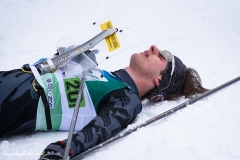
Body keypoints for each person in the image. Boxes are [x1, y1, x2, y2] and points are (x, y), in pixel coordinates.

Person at [0, 45, 207, 159]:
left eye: (163, 57)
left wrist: (63, 149)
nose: (154, 48)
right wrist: (64, 57)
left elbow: (103, 128)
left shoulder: (127, 99)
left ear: (160, 80)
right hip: (11, 79)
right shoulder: (104, 73)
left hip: (18, 103)